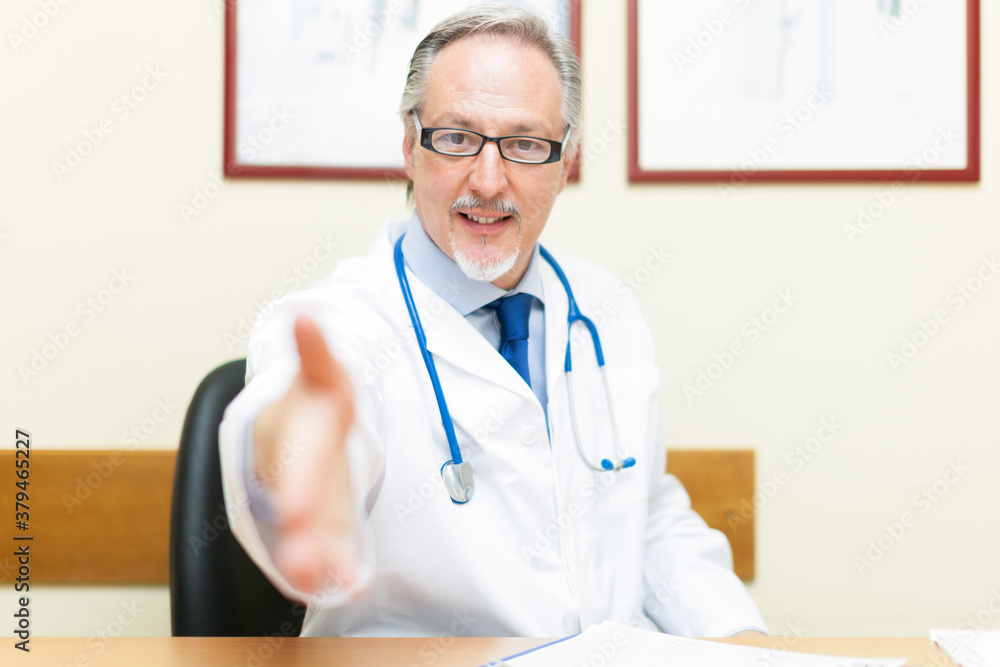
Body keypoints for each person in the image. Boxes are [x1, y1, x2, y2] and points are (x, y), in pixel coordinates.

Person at [219, 3, 767, 638]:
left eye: (526, 144)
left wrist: (739, 639)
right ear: (409, 145)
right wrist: (298, 462)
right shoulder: (336, 321)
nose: (487, 179)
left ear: (566, 163)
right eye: (456, 137)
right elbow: (298, 434)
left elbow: (645, 514)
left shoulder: (605, 307)